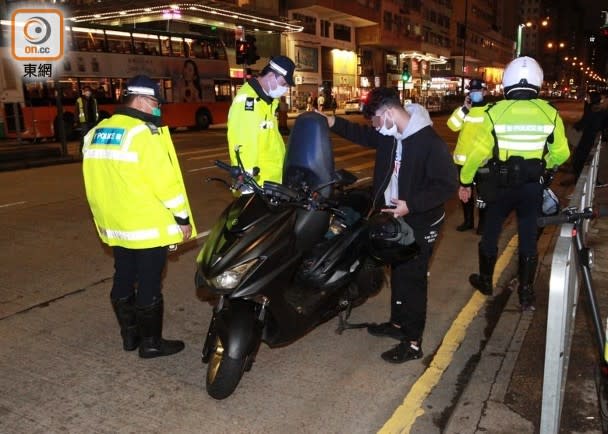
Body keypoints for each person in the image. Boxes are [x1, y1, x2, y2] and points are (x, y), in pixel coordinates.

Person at [319, 87, 458, 363]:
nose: (377, 128)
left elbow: (447, 184)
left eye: (378, 121)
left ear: (391, 112)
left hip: (420, 221)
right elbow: (363, 135)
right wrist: (331, 121)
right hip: (395, 218)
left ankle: (413, 342)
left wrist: (412, 204)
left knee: (413, 279)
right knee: (398, 272)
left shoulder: (429, 142)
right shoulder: (392, 135)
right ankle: (397, 325)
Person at [82, 75, 197, 359]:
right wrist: (181, 218)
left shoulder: (96, 132)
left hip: (116, 224)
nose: (158, 110)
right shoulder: (142, 134)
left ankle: (130, 336)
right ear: (143, 100)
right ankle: (151, 344)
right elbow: (165, 184)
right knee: (149, 282)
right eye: (156, 104)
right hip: (146, 224)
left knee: (123, 276)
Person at [459, 56, 570, 310]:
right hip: (532, 186)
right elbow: (562, 153)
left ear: (507, 82)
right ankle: (526, 293)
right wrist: (547, 165)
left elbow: (478, 153)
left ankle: (486, 281)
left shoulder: (494, 112)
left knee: (491, 232)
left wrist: (465, 181)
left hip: (501, 186)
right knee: (529, 237)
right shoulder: (549, 112)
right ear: (537, 82)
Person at [227, 55, 296, 185]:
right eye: (283, 84)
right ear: (271, 76)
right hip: (258, 184)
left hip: (271, 183)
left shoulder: (266, 102)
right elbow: (242, 145)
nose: (285, 89)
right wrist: (247, 184)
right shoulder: (249, 103)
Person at [446, 78, 488, 234]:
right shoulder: (464, 110)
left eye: (478, 91)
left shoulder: (491, 110)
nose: (476, 93)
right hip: (463, 162)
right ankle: (468, 221)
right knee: (465, 194)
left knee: (483, 196)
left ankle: (483, 225)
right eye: (473, 91)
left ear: (485, 92)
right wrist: (464, 108)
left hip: (483, 162)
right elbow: (452, 126)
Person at [570, 91, 608, 183]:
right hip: (593, 138)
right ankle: (590, 181)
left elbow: (584, 124)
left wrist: (574, 127)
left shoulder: (593, 110)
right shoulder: (599, 110)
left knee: (579, 160)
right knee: (587, 161)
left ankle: (581, 183)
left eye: (589, 97)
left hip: (589, 139)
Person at [76, 86, 98, 152]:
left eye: (88, 90)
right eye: (86, 90)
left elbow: (97, 110)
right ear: (83, 92)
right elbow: (76, 111)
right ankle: (81, 150)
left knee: (92, 136)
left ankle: (90, 149)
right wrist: (76, 121)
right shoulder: (79, 100)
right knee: (84, 136)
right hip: (84, 121)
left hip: (93, 121)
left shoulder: (94, 100)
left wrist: (97, 119)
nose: (87, 92)